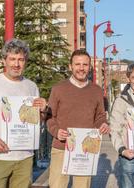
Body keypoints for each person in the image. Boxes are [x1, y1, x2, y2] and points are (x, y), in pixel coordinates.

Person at [0, 38, 47, 188]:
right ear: (4, 60)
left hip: (24, 156)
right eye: (12, 59)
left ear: (25, 62)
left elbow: (37, 120)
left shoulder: (31, 86)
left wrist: (43, 110)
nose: (16, 64)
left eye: (21, 59)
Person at [47, 49, 110, 188]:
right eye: (77, 64)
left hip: (85, 148)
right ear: (71, 66)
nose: (81, 68)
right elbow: (50, 117)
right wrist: (56, 131)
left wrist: (103, 124)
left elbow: (99, 116)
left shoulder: (97, 90)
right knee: (57, 185)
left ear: (90, 67)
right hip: (61, 146)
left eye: (85, 65)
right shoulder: (58, 89)